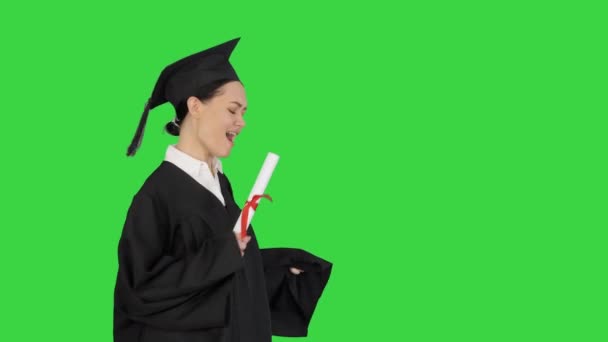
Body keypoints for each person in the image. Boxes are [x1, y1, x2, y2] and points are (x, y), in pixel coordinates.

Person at [113, 37, 332, 342]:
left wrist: (277, 273)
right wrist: (225, 252)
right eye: (232, 110)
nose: (241, 122)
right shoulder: (157, 195)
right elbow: (141, 293)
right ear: (195, 106)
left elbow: (220, 281)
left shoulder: (219, 184)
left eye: (243, 112)